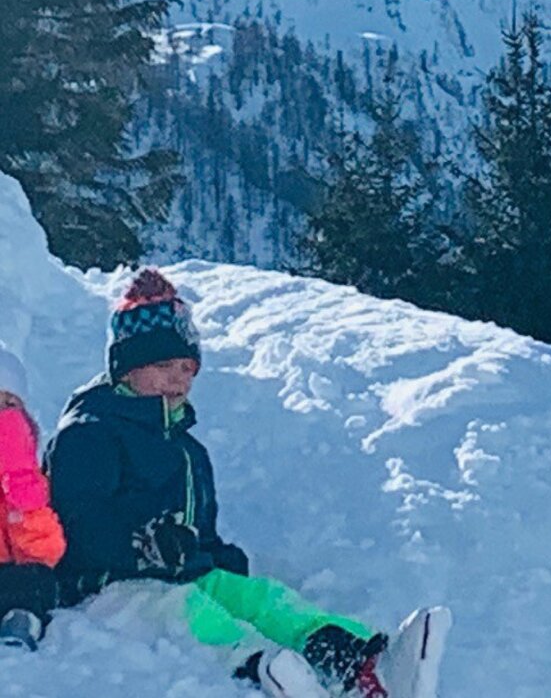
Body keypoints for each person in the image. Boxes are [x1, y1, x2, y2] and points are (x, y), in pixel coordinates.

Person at [44, 269, 449, 697]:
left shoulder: (188, 451)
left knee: (263, 599)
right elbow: (77, 521)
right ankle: (265, 672)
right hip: (105, 585)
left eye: (187, 368)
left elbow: (202, 535)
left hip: (183, 573)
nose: (179, 379)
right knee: (194, 614)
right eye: (163, 365)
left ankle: (364, 664)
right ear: (125, 370)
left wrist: (219, 562)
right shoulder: (89, 434)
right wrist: (144, 546)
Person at [0, 346, 66, 650]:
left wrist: (20, 480)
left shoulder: (27, 479)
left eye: (6, 406)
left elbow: (44, 549)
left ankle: (21, 620)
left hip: (12, 570)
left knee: (31, 581)